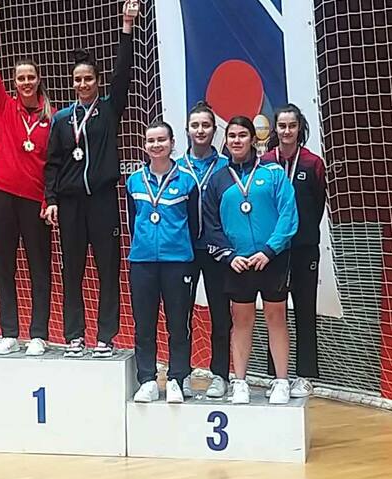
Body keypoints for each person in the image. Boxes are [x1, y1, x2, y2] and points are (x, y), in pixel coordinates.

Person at [43, 0, 139, 358]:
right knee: (72, 271)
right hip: (70, 204)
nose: (83, 84)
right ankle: (74, 335)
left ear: (98, 81)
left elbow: (123, 73)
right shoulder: (61, 119)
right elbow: (52, 164)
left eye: (89, 79)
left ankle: (105, 337)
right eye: (78, 80)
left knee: (107, 269)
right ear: (72, 84)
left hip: (102, 200)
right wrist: (52, 200)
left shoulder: (109, 110)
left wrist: (126, 26)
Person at [202, 116, 297, 405]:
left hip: (272, 259)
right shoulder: (218, 179)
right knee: (241, 320)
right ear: (226, 140)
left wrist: (269, 250)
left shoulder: (273, 173)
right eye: (232, 135)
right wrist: (230, 256)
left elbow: (288, 215)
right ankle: (240, 382)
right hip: (238, 263)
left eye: (242, 135)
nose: (237, 140)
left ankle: (281, 381)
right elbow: (211, 225)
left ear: (253, 139)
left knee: (276, 317)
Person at [0, 0, 55, 357]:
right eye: (20, 78)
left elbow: (54, 164)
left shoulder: (51, 117)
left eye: (30, 77)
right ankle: (8, 331)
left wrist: (48, 199)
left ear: (38, 80)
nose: (26, 82)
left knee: (39, 266)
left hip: (35, 200)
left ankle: (38, 333)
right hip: (2, 196)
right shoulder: (5, 106)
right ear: (14, 82)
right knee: (3, 264)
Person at [126, 121, 199, 403]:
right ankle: (147, 380)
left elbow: (194, 224)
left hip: (177, 261)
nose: (156, 145)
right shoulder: (134, 181)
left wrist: (178, 247)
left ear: (172, 143)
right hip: (142, 261)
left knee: (178, 324)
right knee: (144, 324)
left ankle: (177, 379)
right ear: (145, 146)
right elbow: (133, 220)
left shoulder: (187, 181)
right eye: (151, 141)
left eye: (161, 140)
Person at [261, 103, 327, 398]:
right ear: (275, 129)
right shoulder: (265, 163)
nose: (287, 131)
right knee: (274, 312)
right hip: (274, 250)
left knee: (304, 309)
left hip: (304, 249)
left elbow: (318, 203)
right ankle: (277, 375)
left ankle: (305, 375)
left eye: (292, 125)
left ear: (300, 128)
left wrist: (304, 233)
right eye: (282, 126)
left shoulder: (313, 163)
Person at [176, 101, 231, 398]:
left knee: (221, 315)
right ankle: (181, 374)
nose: (200, 130)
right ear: (187, 130)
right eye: (195, 125)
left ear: (214, 130)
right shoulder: (176, 167)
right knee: (181, 315)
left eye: (206, 125)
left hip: (216, 251)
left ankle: (220, 374)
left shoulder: (225, 166)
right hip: (184, 251)